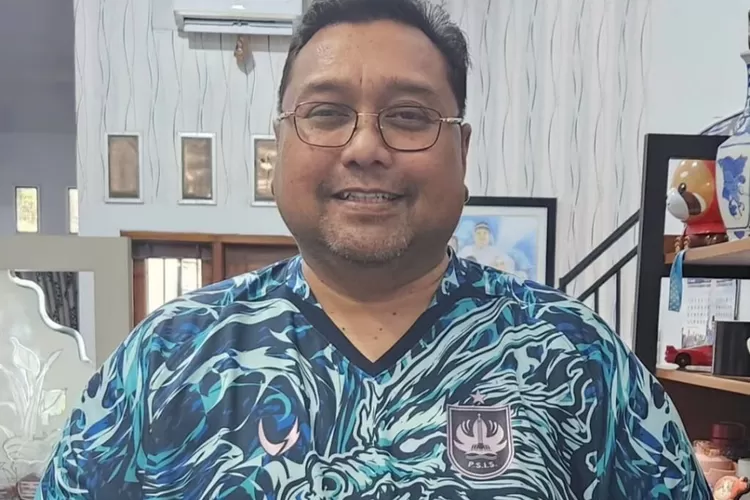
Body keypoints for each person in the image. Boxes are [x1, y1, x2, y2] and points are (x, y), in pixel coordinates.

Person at [37, 0, 710, 498]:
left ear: (462, 151)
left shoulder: (576, 357)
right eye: (326, 113)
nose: (365, 147)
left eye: (409, 117)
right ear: (280, 145)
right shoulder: (167, 359)